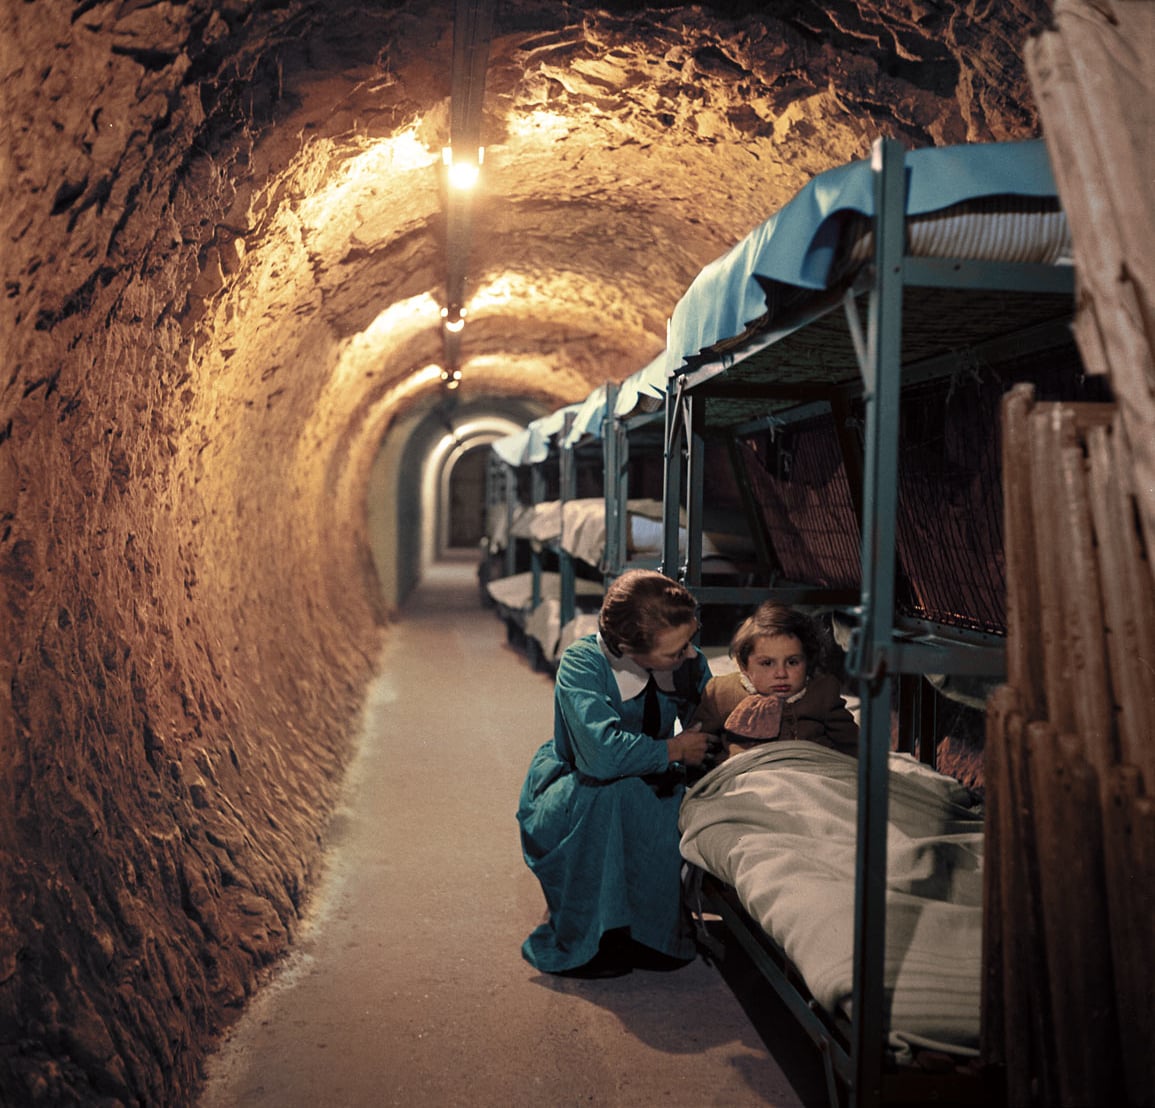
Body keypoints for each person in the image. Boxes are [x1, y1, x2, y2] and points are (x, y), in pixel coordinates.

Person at [517, 570, 711, 978]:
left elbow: (710, 718)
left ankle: (650, 932)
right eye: (676, 651)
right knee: (612, 795)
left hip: (650, 778)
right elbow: (599, 757)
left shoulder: (685, 661)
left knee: (660, 801)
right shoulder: (582, 664)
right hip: (578, 784)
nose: (691, 656)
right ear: (627, 647)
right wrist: (674, 748)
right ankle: (597, 935)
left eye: (691, 641)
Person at [692, 601, 858, 761]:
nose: (781, 673)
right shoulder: (722, 693)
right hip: (748, 774)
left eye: (792, 662)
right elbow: (699, 748)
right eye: (767, 663)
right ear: (744, 666)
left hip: (808, 770)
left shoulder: (822, 692)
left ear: (808, 661)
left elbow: (851, 746)